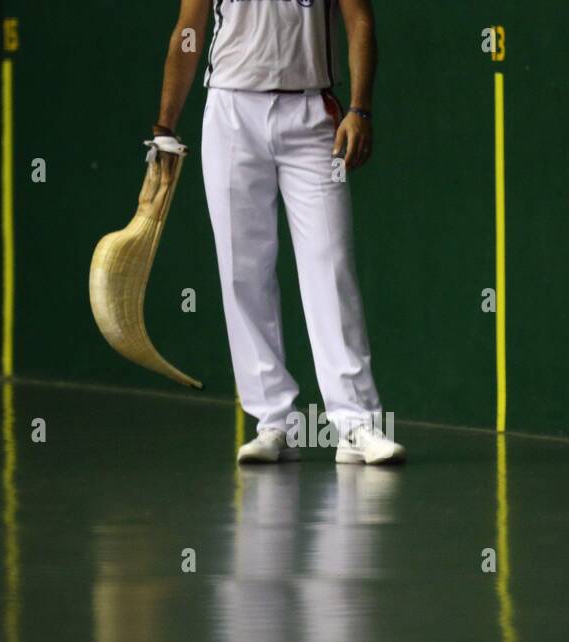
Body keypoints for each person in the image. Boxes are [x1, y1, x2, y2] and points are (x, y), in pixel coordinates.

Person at [153, 0, 405, 465]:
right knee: (241, 270)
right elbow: (188, 28)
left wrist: (360, 109)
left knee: (330, 266)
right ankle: (273, 422)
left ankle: (357, 425)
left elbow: (360, 21)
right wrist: (165, 125)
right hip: (230, 112)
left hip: (313, 115)